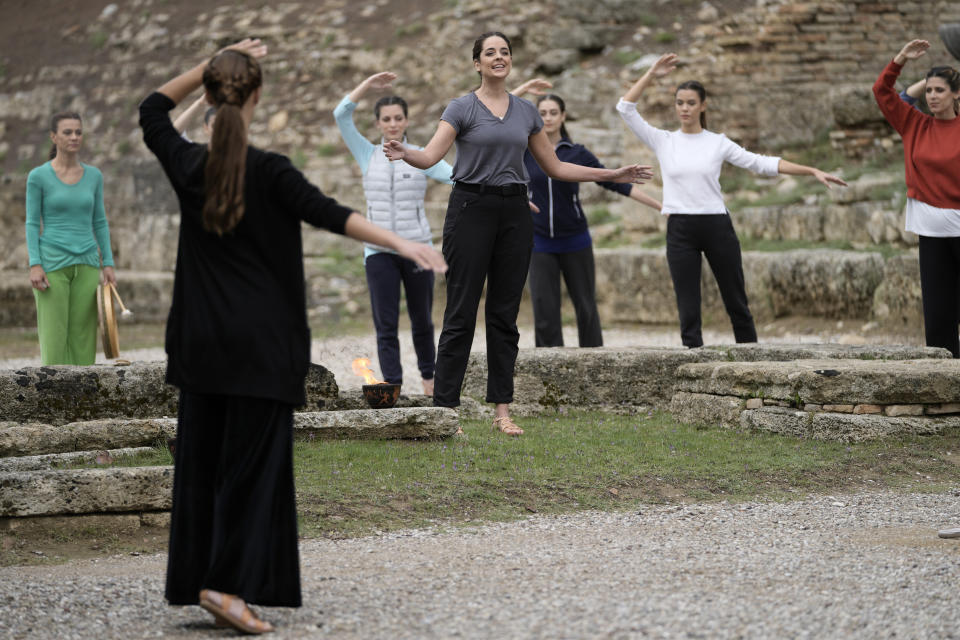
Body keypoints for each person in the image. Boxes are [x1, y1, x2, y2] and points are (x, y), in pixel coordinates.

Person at [139, 39, 446, 634]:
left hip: (200, 347)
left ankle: (202, 579)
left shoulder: (187, 165)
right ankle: (226, 589)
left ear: (209, 95)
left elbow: (151, 109)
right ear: (257, 97)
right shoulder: (271, 171)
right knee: (253, 470)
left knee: (201, 466)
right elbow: (330, 213)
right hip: (260, 349)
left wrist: (213, 63)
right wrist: (403, 242)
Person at [384, 31, 651, 435]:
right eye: (489, 53)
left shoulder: (527, 112)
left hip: (514, 212)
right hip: (470, 209)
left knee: (504, 315)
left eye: (504, 52)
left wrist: (611, 172)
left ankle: (502, 411)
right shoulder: (461, 107)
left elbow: (556, 167)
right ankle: (446, 412)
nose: (498, 57)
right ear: (477, 63)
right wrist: (406, 152)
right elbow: (431, 155)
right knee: (461, 311)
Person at [616, 53, 847, 348]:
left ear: (703, 105)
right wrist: (650, 74)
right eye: (679, 103)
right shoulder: (664, 140)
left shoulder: (717, 142)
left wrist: (811, 170)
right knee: (688, 308)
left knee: (736, 301)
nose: (684, 109)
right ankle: (693, 368)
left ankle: (751, 360)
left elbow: (761, 163)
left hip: (716, 226)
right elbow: (625, 108)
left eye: (690, 103)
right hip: (680, 229)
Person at [511, 85, 662, 347]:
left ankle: (593, 360)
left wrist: (661, 207)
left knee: (586, 307)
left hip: (575, 240)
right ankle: (549, 369)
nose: (547, 117)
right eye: (542, 113)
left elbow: (615, 182)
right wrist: (523, 88)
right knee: (545, 310)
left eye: (553, 112)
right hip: (538, 241)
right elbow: (497, 113)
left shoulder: (577, 152)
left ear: (563, 116)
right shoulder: (524, 151)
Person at [334, 72, 454, 395]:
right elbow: (341, 114)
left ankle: (430, 386)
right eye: (386, 119)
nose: (392, 124)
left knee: (422, 323)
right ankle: (392, 389)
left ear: (405, 121)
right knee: (386, 326)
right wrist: (368, 84)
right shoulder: (366, 154)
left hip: (418, 249)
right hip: (378, 254)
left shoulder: (421, 155)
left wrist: (503, 191)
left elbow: (455, 176)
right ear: (377, 124)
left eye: (397, 118)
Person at [873, 39, 960, 357]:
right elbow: (882, 92)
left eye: (940, 90)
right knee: (938, 318)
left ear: (956, 93)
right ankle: (946, 385)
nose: (933, 96)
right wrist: (900, 60)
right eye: (930, 91)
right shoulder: (914, 125)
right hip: (932, 230)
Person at [25, 112, 117, 365]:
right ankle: (52, 400)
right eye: (67, 132)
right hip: (51, 263)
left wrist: (107, 263)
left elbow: (99, 221)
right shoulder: (38, 176)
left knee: (83, 336)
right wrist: (35, 263)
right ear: (53, 137)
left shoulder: (94, 176)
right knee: (54, 337)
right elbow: (32, 222)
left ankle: (82, 401)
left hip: (87, 262)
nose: (74, 137)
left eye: (78, 132)